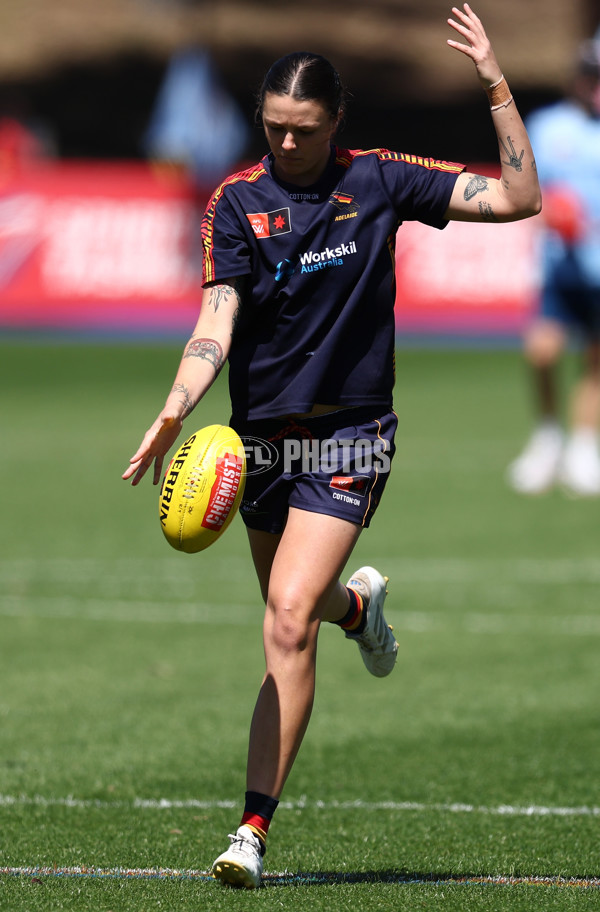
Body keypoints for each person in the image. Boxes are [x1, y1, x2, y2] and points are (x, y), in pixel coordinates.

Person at [123, 4, 541, 889]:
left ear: (335, 122)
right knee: (300, 611)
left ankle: (250, 831)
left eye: (302, 130)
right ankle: (361, 611)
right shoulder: (236, 202)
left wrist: (496, 84)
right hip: (261, 444)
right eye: (272, 127)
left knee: (282, 619)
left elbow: (516, 199)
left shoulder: (383, 181)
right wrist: (175, 404)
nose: (284, 143)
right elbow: (217, 318)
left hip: (351, 434)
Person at [507, 35, 600, 497]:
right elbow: (526, 191)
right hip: (561, 266)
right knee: (542, 351)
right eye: (591, 75)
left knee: (595, 359)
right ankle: (547, 436)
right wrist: (552, 214)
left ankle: (585, 445)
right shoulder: (548, 127)